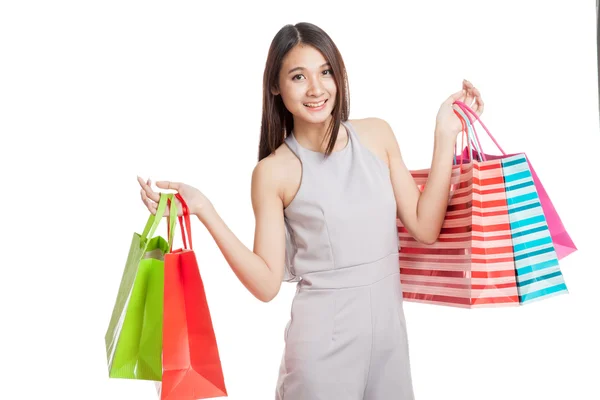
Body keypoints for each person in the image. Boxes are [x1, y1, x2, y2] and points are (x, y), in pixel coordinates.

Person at [138, 22, 483, 400]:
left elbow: (425, 226)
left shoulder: (377, 135)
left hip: (390, 342)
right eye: (299, 76)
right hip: (321, 350)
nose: (316, 89)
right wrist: (204, 209)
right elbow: (267, 284)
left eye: (326, 72)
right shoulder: (273, 172)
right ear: (275, 85)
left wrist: (444, 134)